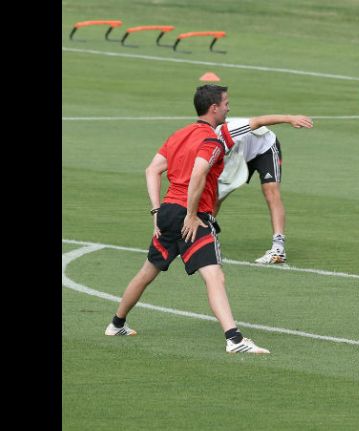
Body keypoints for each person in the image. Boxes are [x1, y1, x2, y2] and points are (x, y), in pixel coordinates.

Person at [105, 84, 271, 354]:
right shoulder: (212, 141)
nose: (229, 107)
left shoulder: (179, 135)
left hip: (168, 212)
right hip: (189, 216)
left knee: (147, 272)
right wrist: (193, 215)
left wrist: (156, 211)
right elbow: (199, 173)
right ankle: (235, 340)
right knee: (214, 276)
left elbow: (152, 170)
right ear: (213, 108)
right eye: (226, 103)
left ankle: (116, 324)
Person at [214, 114, 314, 264]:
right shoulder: (203, 144)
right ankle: (206, 238)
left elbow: (260, 121)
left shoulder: (228, 130)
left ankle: (278, 249)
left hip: (264, 147)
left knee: (271, 192)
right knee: (216, 196)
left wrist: (290, 119)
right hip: (238, 155)